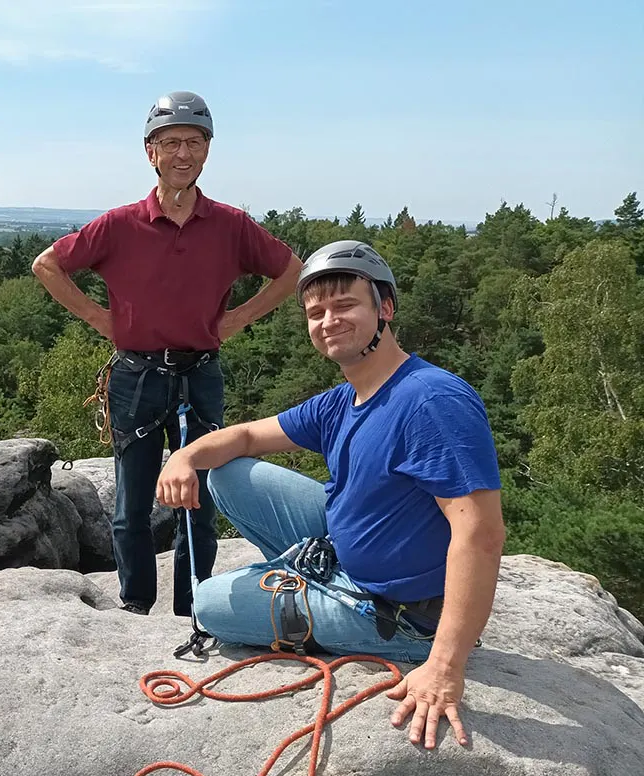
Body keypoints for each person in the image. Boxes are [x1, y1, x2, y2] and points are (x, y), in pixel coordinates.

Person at [155, 239, 506, 749]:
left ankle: (364, 617)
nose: (328, 321)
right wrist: (183, 456)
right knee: (227, 473)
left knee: (208, 604)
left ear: (385, 308)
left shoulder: (431, 401)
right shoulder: (347, 397)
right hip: (351, 549)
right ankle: (312, 582)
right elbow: (248, 437)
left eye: (345, 305)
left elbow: (480, 533)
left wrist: (445, 667)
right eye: (315, 312)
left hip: (402, 611)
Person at [32, 91, 301, 618]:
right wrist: (99, 318)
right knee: (132, 501)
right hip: (136, 375)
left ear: (207, 152)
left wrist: (240, 317)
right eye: (171, 142)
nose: (183, 153)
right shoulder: (119, 224)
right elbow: (47, 265)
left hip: (200, 373)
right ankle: (135, 604)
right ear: (150, 152)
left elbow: (291, 271)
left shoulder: (230, 225)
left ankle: (195, 607)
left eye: (194, 143)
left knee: (197, 499)